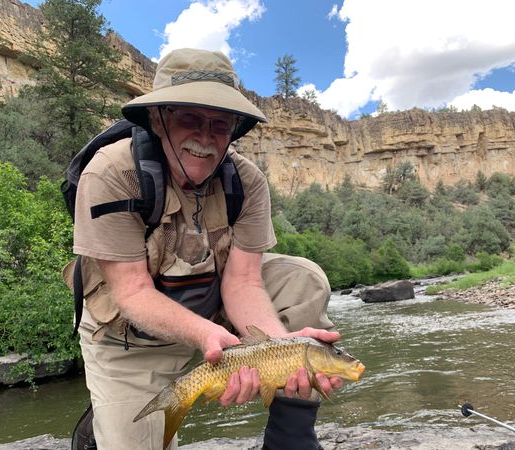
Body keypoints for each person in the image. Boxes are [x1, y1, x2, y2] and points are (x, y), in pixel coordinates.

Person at [68, 48, 344, 450]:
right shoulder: (111, 174)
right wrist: (211, 339)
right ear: (159, 120)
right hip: (131, 339)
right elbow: (131, 293)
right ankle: (105, 417)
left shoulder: (247, 182)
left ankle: (292, 437)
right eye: (189, 119)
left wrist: (278, 351)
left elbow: (245, 282)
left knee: (303, 278)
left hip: (214, 312)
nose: (205, 137)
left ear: (234, 129)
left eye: (219, 124)